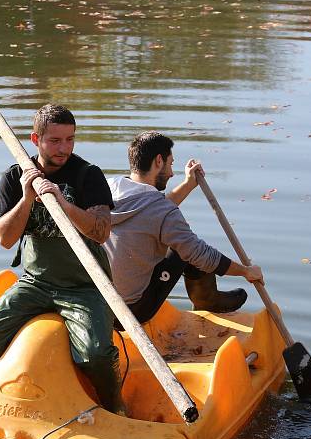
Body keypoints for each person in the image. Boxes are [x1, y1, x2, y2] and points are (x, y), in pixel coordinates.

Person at [0, 104, 122, 413]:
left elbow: (102, 232)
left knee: (96, 355)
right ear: (36, 140)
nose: (64, 148)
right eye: (55, 140)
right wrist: (27, 198)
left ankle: (114, 407)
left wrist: (63, 203)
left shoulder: (87, 175)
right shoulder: (15, 177)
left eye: (70, 139)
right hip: (36, 282)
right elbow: (5, 238)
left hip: (84, 285)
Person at [104, 131, 264, 324]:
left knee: (178, 242)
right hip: (129, 313)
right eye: (170, 164)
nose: (171, 173)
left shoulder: (109, 188)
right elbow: (200, 254)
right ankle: (208, 300)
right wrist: (246, 271)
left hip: (99, 305)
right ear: (158, 161)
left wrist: (188, 184)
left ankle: (206, 299)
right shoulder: (161, 211)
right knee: (185, 250)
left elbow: (151, 212)